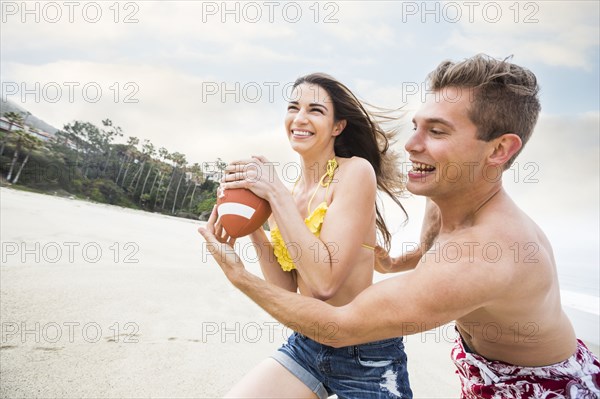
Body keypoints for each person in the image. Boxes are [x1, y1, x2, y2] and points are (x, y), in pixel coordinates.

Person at [200, 55, 600, 398]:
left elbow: (340, 326)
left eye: (437, 131)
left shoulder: (488, 251)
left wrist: (238, 275)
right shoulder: (445, 200)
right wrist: (392, 263)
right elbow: (427, 248)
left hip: (545, 388)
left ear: (499, 149)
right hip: (476, 373)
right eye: (417, 125)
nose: (411, 144)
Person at [212, 73, 416, 398]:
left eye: (315, 110)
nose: (300, 118)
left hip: (364, 354)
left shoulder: (355, 172)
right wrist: (253, 225)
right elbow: (287, 288)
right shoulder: (290, 194)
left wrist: (274, 194)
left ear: (338, 127)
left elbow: (324, 284)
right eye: (293, 107)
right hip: (308, 343)